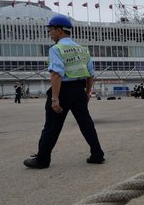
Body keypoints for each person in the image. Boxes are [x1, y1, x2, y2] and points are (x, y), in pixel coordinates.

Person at [23, 14, 105, 169]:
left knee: (52, 127)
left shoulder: (57, 49)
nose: (49, 33)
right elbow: (90, 74)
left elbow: (56, 74)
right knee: (86, 124)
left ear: (59, 30)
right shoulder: (82, 49)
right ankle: (97, 154)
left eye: (51, 30)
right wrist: (87, 93)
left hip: (62, 91)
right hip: (79, 91)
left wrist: (55, 99)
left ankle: (42, 160)